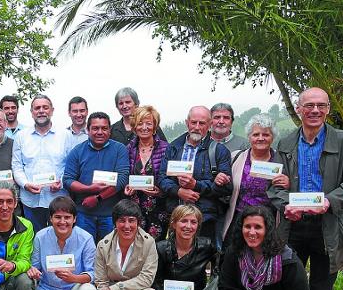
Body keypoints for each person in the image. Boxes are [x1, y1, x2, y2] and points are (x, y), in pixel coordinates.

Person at [268, 87, 343, 290]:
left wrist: (330, 201)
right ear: (298, 109)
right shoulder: (286, 144)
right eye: (308, 105)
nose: (314, 111)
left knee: (321, 287)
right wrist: (286, 204)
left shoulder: (341, 140)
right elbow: (272, 187)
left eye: (320, 106)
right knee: (288, 283)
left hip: (329, 226)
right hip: (294, 226)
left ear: (328, 109)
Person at [24, 196, 97, 290]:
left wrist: (74, 278)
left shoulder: (86, 238)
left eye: (67, 217)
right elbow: (35, 266)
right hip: (49, 288)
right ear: (50, 218)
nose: (62, 221)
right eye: (57, 217)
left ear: (74, 219)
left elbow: (92, 274)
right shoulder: (40, 237)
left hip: (75, 288)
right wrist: (33, 271)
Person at [158, 106, 232, 247]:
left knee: (203, 261)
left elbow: (227, 188)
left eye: (202, 123)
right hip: (176, 216)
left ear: (210, 125)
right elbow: (162, 178)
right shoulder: (173, 147)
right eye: (193, 122)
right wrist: (178, 191)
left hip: (205, 219)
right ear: (187, 123)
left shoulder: (219, 151)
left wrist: (196, 185)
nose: (197, 127)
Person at [221, 113, 289, 241]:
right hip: (239, 221)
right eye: (256, 134)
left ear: (273, 137)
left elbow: (291, 189)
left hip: (269, 223)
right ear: (249, 137)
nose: (261, 138)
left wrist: (288, 184)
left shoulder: (282, 161)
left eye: (266, 135)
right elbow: (224, 185)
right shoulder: (235, 158)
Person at [63, 112, 129, 242]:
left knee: (109, 255)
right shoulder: (77, 151)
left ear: (110, 130)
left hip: (111, 215)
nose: (100, 132)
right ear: (88, 130)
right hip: (83, 214)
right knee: (86, 254)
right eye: (95, 128)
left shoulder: (119, 149)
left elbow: (122, 180)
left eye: (104, 128)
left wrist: (98, 198)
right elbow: (67, 180)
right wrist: (88, 189)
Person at [12, 94, 72, 232]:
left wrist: (61, 182)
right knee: (34, 240)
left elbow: (71, 167)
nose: (41, 111)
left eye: (45, 107)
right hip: (30, 200)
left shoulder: (65, 135)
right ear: (31, 112)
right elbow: (16, 166)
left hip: (59, 198)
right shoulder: (21, 136)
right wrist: (26, 184)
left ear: (52, 110)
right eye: (37, 108)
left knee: (59, 239)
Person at [124, 105, 169, 240]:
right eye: (140, 123)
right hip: (134, 208)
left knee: (156, 249)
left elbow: (170, 178)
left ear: (155, 126)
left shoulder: (166, 148)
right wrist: (126, 187)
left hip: (159, 207)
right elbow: (125, 174)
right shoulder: (128, 149)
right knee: (135, 247)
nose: (144, 127)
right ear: (134, 126)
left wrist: (161, 191)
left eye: (148, 124)